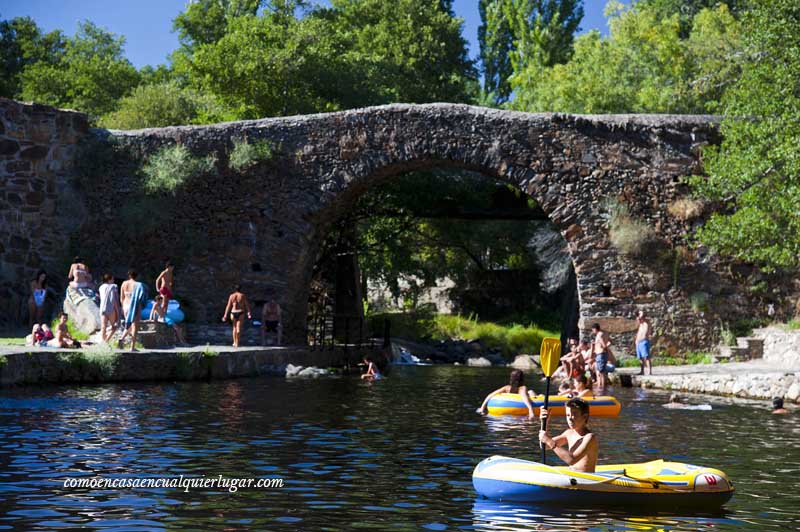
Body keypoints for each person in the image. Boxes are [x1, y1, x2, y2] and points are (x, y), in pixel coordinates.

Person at [539, 398, 598, 472]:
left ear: (585, 416)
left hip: (585, 479)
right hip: (572, 477)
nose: (570, 418)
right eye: (567, 415)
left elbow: (571, 460)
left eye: (574, 414)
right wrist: (544, 422)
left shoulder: (590, 437)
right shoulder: (568, 433)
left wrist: (548, 440)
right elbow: (545, 446)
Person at [118, 270, 145, 352]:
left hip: (125, 305)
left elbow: (121, 297)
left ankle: (121, 338)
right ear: (136, 276)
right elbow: (140, 298)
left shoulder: (124, 283)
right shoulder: (138, 285)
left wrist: (122, 307)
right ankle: (132, 347)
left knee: (128, 325)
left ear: (129, 275)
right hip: (134, 306)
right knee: (134, 327)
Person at [99, 273, 122, 343]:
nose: (113, 280)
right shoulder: (113, 287)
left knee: (103, 326)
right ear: (109, 280)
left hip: (102, 308)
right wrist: (118, 311)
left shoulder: (101, 287)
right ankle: (106, 341)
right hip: (111, 308)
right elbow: (114, 299)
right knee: (114, 326)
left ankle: (103, 341)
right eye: (112, 279)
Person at [591, 323, 613, 390]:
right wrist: (606, 347)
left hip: (600, 354)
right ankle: (601, 387)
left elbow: (603, 343)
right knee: (601, 372)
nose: (592, 331)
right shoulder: (605, 333)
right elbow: (610, 341)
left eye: (593, 330)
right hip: (602, 354)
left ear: (595, 329)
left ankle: (602, 388)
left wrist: (604, 347)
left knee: (601, 373)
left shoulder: (599, 335)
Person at [635, 310, 653, 376]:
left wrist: (641, 313)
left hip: (644, 341)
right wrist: (636, 341)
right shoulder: (640, 324)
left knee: (646, 357)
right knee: (640, 358)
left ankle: (649, 371)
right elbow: (637, 321)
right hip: (638, 342)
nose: (639, 318)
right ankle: (642, 371)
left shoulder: (646, 323)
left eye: (640, 316)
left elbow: (644, 317)